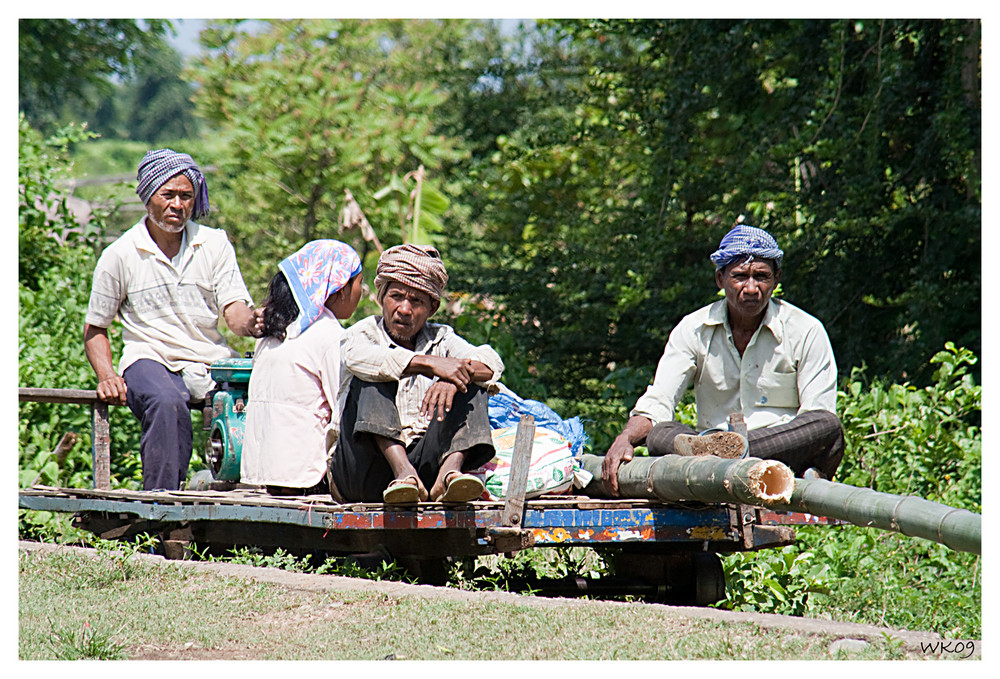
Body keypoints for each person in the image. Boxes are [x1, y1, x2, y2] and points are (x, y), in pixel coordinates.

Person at [601, 223, 845, 496]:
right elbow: (659, 400)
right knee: (658, 434)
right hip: (710, 457)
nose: (751, 288)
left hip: (782, 456)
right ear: (720, 279)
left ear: (776, 280)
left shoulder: (805, 329)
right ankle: (718, 450)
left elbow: (817, 414)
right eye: (740, 276)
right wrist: (625, 438)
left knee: (826, 425)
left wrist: (739, 447)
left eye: (761, 277)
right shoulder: (693, 328)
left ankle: (726, 451)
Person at [84, 149, 261, 491]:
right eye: (168, 195)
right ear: (148, 197)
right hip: (149, 358)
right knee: (167, 401)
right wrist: (106, 375)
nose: (177, 205)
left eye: (186, 196)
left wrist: (252, 322)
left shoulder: (213, 244)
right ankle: (162, 509)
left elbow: (234, 310)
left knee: (261, 397)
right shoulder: (120, 254)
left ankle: (245, 495)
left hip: (208, 361)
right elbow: (96, 328)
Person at [329, 244, 504, 504]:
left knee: (473, 380)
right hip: (361, 473)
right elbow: (356, 358)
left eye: (417, 301)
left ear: (432, 308)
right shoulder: (363, 334)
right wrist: (431, 365)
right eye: (396, 296)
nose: (404, 309)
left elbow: (491, 363)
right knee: (372, 377)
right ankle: (403, 473)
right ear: (381, 298)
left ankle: (448, 476)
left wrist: (453, 378)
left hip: (424, 474)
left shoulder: (442, 337)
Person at [241, 240, 364, 496]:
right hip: (307, 477)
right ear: (340, 289)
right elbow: (343, 409)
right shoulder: (329, 335)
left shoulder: (272, 331)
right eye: (359, 283)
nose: (360, 292)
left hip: (264, 473)